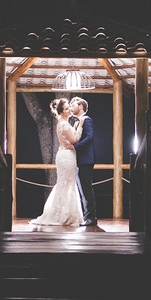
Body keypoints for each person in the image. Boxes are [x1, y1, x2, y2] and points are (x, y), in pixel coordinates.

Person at [29, 98, 85, 227]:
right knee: (66, 184)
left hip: (65, 154)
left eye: (68, 107)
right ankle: (63, 214)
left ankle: (67, 212)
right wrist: (80, 125)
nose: (69, 110)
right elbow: (75, 139)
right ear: (61, 112)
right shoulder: (64, 124)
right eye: (66, 109)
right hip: (67, 156)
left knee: (66, 183)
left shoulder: (62, 122)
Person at [69, 96, 98, 226]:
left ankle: (91, 217)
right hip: (78, 160)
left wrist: (75, 147)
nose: (71, 107)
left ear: (81, 106)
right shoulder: (76, 121)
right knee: (82, 189)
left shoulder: (87, 119)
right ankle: (87, 216)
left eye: (73, 105)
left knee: (86, 188)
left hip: (86, 159)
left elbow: (90, 137)